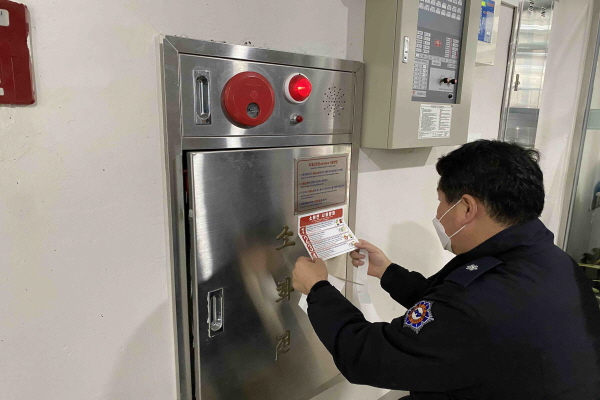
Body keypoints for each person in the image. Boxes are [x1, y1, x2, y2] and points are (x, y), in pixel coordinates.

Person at [292, 140, 600, 399]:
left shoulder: (478, 306)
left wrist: (318, 290)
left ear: (466, 208)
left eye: (441, 202)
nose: (438, 213)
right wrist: (388, 272)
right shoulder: (549, 261)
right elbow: (447, 307)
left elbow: (367, 357)